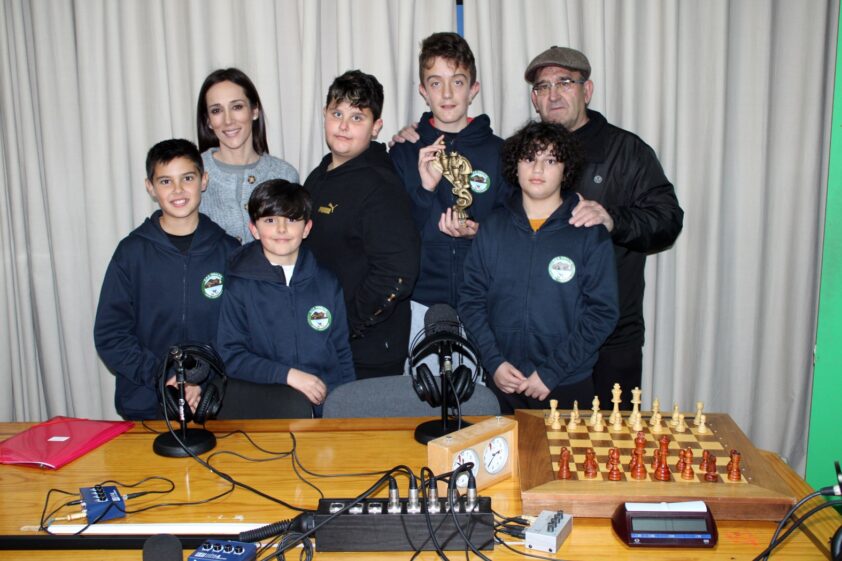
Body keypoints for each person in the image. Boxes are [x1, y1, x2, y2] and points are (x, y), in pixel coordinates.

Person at [523, 46, 684, 407]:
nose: (553, 94)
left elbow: (669, 220)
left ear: (587, 90)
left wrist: (614, 220)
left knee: (612, 448)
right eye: (543, 86)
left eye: (565, 82)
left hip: (610, 339)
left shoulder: (626, 151)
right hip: (542, 341)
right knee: (542, 451)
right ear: (535, 99)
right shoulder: (526, 154)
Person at [459, 121, 618, 413]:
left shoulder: (588, 232)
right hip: (503, 381)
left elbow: (603, 313)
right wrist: (493, 361)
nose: (538, 169)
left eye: (550, 160)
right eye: (529, 158)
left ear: (565, 169)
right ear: (515, 165)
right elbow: (470, 300)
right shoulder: (493, 227)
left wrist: (551, 371)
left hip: (566, 382)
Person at [94, 139, 239, 420]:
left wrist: (199, 378)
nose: (178, 190)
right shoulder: (131, 252)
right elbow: (111, 334)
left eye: (187, 178)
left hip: (211, 401)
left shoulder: (229, 251)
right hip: (145, 401)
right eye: (165, 181)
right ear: (150, 187)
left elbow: (238, 331)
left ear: (203, 180)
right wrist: (165, 375)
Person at [389, 32, 511, 360]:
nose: (446, 94)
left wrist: (479, 232)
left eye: (457, 82)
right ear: (422, 91)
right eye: (435, 82)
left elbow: (516, 227)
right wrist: (424, 189)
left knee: (480, 404)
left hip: (483, 301)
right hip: (419, 302)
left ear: (473, 89)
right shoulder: (404, 152)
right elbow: (394, 233)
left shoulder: (500, 152)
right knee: (419, 401)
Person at [304, 70, 420, 379]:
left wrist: (344, 324)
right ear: (324, 115)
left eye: (357, 117)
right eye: (337, 113)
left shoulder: (381, 185)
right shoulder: (317, 177)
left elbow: (397, 274)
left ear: (376, 127)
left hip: (366, 353)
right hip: (321, 341)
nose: (343, 125)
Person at [216, 180, 355, 415]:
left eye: (291, 220)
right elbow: (230, 355)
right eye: (270, 220)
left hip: (325, 407)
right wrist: (288, 375)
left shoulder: (327, 282)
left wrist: (347, 402)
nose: (281, 229)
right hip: (269, 405)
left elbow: (341, 350)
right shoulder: (238, 285)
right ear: (254, 229)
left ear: (307, 228)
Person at [196, 68, 299, 243]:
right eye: (216, 110)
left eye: (237, 107)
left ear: (254, 111)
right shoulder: (192, 176)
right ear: (208, 121)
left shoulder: (285, 175)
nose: (228, 120)